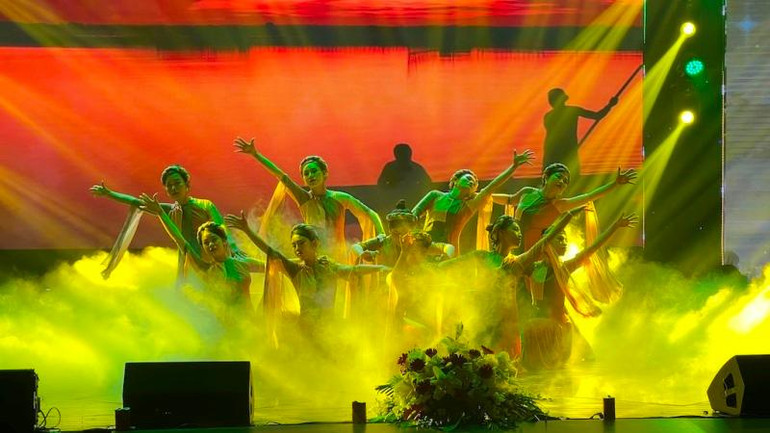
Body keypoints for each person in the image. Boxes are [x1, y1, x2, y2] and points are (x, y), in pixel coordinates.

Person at [233, 137, 384, 260]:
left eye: (313, 171)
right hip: (313, 258)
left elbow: (369, 213)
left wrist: (381, 235)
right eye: (306, 174)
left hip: (339, 256)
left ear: (325, 173)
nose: (310, 175)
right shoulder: (304, 199)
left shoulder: (340, 198)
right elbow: (280, 175)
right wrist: (255, 154)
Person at [225, 212, 388, 325]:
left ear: (314, 243)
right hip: (305, 330)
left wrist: (381, 268)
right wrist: (247, 231)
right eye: (294, 245)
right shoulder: (296, 270)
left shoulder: (328, 266)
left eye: (301, 243)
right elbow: (271, 252)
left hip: (330, 328)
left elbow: (353, 271)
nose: (297, 248)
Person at [521, 213, 637, 370]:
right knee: (534, 369)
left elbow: (592, 248)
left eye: (565, 239)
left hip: (556, 328)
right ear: (546, 242)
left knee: (553, 370)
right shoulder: (532, 267)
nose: (565, 243)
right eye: (560, 239)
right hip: (535, 329)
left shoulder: (564, 268)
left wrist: (615, 227)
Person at [90, 165, 232, 281]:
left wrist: (232, 258)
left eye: (177, 183)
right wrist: (110, 194)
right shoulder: (169, 210)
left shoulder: (205, 206)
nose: (174, 188)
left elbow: (223, 232)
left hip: (214, 261)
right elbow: (136, 202)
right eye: (169, 186)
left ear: (187, 185)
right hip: (188, 263)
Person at [140, 194, 265, 310]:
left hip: (251, 322)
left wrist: (248, 231)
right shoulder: (206, 269)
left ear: (224, 241)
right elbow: (181, 241)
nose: (210, 244)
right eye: (206, 243)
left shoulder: (243, 263)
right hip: (225, 325)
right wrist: (161, 213)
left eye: (213, 239)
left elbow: (273, 265)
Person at [412, 149, 533, 253]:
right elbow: (413, 215)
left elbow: (491, 187)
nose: (472, 182)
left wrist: (513, 167)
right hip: (424, 248)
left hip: (448, 253)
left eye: (475, 183)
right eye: (469, 178)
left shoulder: (468, 205)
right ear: (455, 180)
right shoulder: (435, 195)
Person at [493, 163, 637, 251]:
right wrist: (485, 195)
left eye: (565, 181)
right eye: (559, 177)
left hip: (533, 254)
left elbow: (590, 196)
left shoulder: (560, 205)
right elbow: (509, 199)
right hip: (510, 246)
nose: (562, 181)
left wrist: (615, 184)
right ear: (546, 177)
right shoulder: (527, 192)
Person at [352, 199, 454, 268]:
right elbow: (356, 247)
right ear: (391, 230)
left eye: (404, 233)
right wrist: (362, 254)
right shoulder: (383, 242)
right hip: (387, 289)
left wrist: (447, 256)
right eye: (397, 234)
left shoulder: (417, 243)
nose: (400, 237)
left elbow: (447, 247)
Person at [543, 88, 618, 176]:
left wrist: (610, 105)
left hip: (553, 150)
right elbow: (598, 116)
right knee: (571, 174)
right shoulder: (572, 111)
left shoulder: (548, 116)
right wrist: (610, 105)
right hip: (566, 149)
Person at [377, 143, 432, 209]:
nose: (404, 156)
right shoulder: (390, 168)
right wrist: (389, 194)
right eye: (402, 154)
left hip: (412, 201)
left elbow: (427, 183)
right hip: (394, 202)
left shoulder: (417, 168)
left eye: (406, 154)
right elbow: (381, 184)